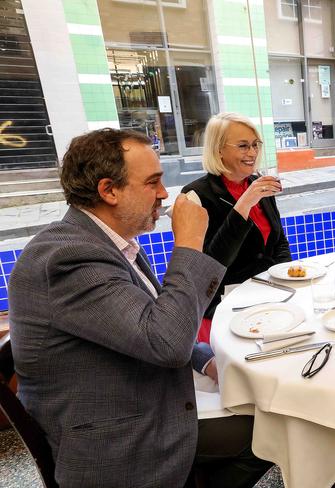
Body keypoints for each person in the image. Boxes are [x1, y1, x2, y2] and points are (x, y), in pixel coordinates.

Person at [8, 128, 271, 487]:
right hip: (120, 441)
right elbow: (165, 341)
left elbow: (144, 321)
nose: (164, 194)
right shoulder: (68, 258)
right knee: (270, 428)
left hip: (140, 399)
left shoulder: (109, 242)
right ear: (109, 190)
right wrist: (189, 244)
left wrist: (203, 358)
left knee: (264, 412)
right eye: (153, 182)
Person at [181, 112, 291, 349]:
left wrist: (286, 281)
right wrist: (244, 204)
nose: (252, 153)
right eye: (243, 146)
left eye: (255, 145)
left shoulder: (257, 183)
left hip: (269, 301)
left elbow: (279, 239)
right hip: (226, 309)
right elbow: (212, 264)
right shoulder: (195, 195)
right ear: (218, 149)